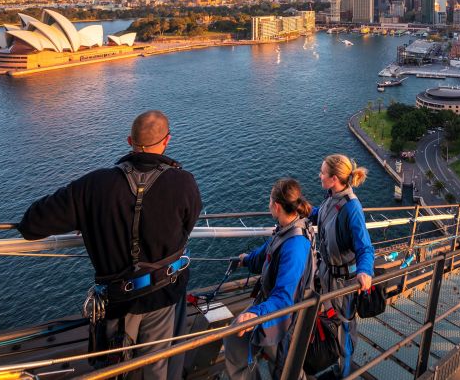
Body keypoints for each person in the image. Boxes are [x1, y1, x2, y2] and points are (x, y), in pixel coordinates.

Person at [18, 110, 202, 380]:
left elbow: (31, 225)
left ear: (129, 141)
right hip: (165, 295)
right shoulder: (183, 182)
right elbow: (188, 226)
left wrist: (90, 218)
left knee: (117, 369)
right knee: (159, 367)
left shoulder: (93, 185)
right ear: (167, 141)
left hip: (116, 301)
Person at [223, 178, 315, 380]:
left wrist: (256, 314)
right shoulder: (285, 230)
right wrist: (245, 260)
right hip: (272, 307)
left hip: (284, 315)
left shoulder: (295, 246)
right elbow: (264, 255)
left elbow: (285, 297)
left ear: (277, 206)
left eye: (269, 201)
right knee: (243, 345)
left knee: (285, 369)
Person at [311, 154, 375, 378]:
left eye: (323, 173)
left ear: (335, 178)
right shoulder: (332, 197)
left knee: (345, 328)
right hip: (327, 275)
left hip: (343, 284)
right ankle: (332, 362)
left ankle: (344, 373)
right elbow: (323, 215)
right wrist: (305, 211)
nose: (319, 176)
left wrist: (365, 272)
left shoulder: (352, 208)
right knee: (332, 323)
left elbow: (365, 247)